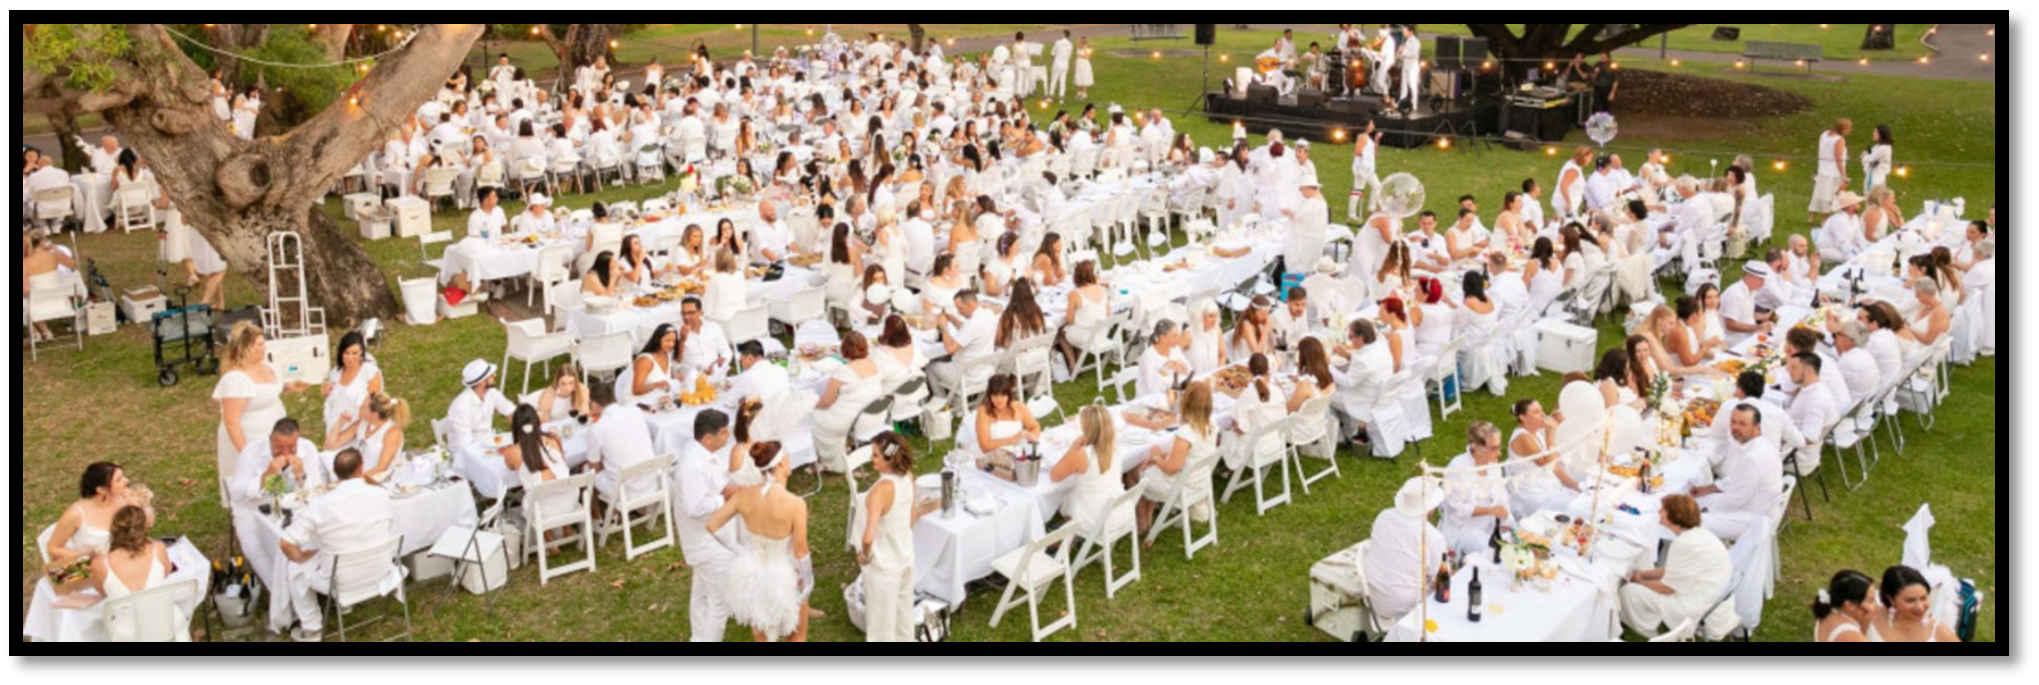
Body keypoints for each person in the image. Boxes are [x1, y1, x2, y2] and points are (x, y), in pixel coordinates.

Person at [278, 449, 395, 643]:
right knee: (339, 548)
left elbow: (286, 543)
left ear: (335, 473)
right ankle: (343, 607)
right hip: (382, 571)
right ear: (361, 469)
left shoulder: (320, 504)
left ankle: (312, 628)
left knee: (294, 567)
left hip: (341, 583)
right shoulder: (381, 494)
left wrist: (302, 558)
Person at [708, 442, 814, 642]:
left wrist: (738, 551)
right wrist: (808, 584)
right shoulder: (795, 504)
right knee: (797, 635)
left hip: (752, 573)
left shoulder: (744, 495)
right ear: (781, 463)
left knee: (761, 636)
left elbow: (712, 525)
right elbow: (800, 550)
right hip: (785, 574)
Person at [1618, 494, 1732, 639]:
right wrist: (1643, 574)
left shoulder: (1684, 543)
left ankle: (1650, 632)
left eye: (1663, 510)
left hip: (1695, 604)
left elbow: (1667, 589)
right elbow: (1674, 571)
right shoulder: (1700, 534)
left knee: (1628, 591)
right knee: (1639, 586)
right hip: (1711, 595)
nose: (1659, 512)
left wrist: (1639, 582)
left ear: (1674, 516)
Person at [214, 322, 302, 505]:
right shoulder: (236, 379)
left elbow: (266, 390)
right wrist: (248, 453)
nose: (264, 347)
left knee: (277, 473)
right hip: (250, 438)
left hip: (276, 435)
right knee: (254, 481)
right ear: (246, 348)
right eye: (260, 344)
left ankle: (279, 506)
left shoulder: (265, 364)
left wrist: (288, 387)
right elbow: (231, 422)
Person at [858, 432, 934, 642]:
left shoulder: (880, 491)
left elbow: (867, 537)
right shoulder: (908, 477)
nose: (871, 459)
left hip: (883, 566)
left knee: (880, 628)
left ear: (889, 458)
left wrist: (865, 555)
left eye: (875, 455)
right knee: (903, 618)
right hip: (905, 556)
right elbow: (909, 518)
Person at [676, 409, 737, 642]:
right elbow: (694, 507)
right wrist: (726, 500)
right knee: (719, 603)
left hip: (709, 538)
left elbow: (716, 483)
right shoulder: (693, 464)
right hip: (705, 542)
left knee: (701, 594)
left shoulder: (700, 454)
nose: (728, 435)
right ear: (708, 438)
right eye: (723, 433)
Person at [89, 505, 186, 641]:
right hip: (166, 624)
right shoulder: (158, 549)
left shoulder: (99, 563)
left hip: (129, 635)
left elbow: (102, 591)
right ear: (144, 528)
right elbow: (167, 570)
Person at [44, 463, 153, 582]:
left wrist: (139, 506)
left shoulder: (124, 498)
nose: (127, 481)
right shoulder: (76, 514)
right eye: (119, 480)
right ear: (101, 489)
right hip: (93, 571)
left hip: (128, 564)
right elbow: (53, 548)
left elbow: (146, 527)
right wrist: (88, 556)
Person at [1362, 478, 1448, 623]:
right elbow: (1440, 580)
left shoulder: (1384, 516)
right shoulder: (1432, 536)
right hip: (1404, 604)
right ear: (1430, 507)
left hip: (1373, 592)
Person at [1139, 381, 1219, 536]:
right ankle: (1147, 517)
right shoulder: (1212, 424)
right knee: (1148, 467)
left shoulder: (1187, 432)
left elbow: (1171, 469)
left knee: (1139, 472)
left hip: (1182, 486)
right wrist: (1162, 456)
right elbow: (1192, 455)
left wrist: (1156, 457)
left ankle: (1144, 521)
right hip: (1199, 481)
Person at [1691, 405, 1781, 543]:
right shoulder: (1759, 444)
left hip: (1752, 517)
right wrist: (1707, 489)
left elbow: (1734, 500)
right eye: (1733, 422)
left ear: (1757, 427)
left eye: (1742, 424)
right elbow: (1734, 479)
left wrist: (1706, 510)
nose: (1735, 427)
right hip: (1750, 505)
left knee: (1687, 522)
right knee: (1691, 501)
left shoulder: (1753, 457)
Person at [1052, 405, 1133, 539]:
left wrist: (1073, 449)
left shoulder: (1083, 453)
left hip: (1096, 519)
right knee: (1076, 491)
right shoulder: (1115, 445)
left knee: (1068, 494)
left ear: (1086, 428)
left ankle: (1066, 540)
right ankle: (1068, 537)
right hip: (1121, 510)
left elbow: (1055, 475)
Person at [813, 332, 884, 470]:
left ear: (844, 350)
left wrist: (812, 404)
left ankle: (832, 461)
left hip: (852, 419)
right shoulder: (873, 364)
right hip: (873, 416)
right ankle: (842, 451)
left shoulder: (843, 371)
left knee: (815, 418)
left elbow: (827, 401)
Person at [1441, 422, 1511, 558]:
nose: (1500, 453)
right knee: (1498, 554)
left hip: (1491, 524)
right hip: (1464, 528)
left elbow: (1502, 499)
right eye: (1494, 448)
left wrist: (1508, 523)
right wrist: (1489, 511)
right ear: (1477, 447)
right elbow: (1454, 509)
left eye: (1499, 447)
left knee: (1518, 543)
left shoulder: (1493, 466)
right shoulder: (1458, 468)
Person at [585, 381, 657, 506]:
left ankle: (599, 518)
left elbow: (594, 467)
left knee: (586, 469)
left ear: (595, 404)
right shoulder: (635, 411)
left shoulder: (597, 429)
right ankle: (614, 513)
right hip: (650, 482)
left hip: (625, 490)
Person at [1506, 399, 1579, 516]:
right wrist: (1550, 435)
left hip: (1546, 485)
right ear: (1523, 418)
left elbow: (1555, 467)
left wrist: (1576, 485)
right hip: (1532, 493)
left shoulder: (1535, 433)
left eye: (1542, 410)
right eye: (1536, 412)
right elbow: (1549, 465)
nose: (1543, 415)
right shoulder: (1523, 437)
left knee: (1581, 497)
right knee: (1576, 507)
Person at [323, 393, 409, 482]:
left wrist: (355, 482)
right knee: (325, 456)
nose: (359, 408)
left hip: (378, 479)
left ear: (374, 414)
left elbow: (382, 467)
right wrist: (340, 422)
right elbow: (329, 447)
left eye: (363, 407)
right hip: (357, 474)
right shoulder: (361, 424)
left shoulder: (392, 433)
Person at [928, 289, 997, 395]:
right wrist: (954, 319)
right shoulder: (988, 314)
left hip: (966, 376)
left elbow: (950, 349)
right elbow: (969, 333)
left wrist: (944, 327)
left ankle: (941, 399)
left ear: (970, 304)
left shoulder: (972, 324)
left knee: (930, 367)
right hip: (985, 371)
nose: (959, 312)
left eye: (960, 308)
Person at [1869, 566, 1960, 642]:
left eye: (1923, 598)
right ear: (1891, 599)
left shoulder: (1939, 632)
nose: (1920, 607)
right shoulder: (1868, 621)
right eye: (1910, 601)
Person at [322, 332, 384, 432]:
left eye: (354, 353)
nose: (350, 358)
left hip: (358, 430)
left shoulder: (369, 372)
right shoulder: (335, 373)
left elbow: (375, 405)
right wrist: (326, 393)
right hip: (335, 429)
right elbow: (332, 401)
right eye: (346, 353)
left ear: (361, 353)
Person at [1056, 260, 1110, 372]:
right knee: (1081, 326)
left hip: (1087, 336)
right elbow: (1108, 313)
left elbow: (1069, 320)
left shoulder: (1075, 294)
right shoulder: (1101, 288)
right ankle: (1079, 356)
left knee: (1061, 332)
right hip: (1101, 334)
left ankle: (1073, 365)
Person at [972, 374, 1042, 457]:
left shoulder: (1019, 407)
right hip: (992, 456)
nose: (999, 400)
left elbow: (1035, 427)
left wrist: (1030, 438)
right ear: (989, 396)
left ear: (1009, 395)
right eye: (995, 395)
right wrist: (1012, 440)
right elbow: (985, 446)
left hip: (1018, 454)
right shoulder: (983, 411)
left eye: (1003, 395)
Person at [1811, 570, 1878, 642]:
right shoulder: (1851, 636)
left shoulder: (1829, 612)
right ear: (1850, 605)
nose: (1876, 605)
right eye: (1871, 601)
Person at [1718, 262, 1773, 347]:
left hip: (1748, 335)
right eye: (1760, 279)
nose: (1763, 283)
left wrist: (1764, 316)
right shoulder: (1735, 294)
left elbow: (1744, 314)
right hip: (1734, 342)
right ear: (1749, 277)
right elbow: (1730, 325)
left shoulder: (1751, 291)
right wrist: (1758, 327)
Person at [679, 297, 732, 382]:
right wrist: (682, 340)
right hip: (692, 379)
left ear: (701, 312)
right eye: (683, 313)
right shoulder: (677, 333)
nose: (686, 317)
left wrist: (718, 363)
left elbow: (726, 352)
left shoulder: (713, 327)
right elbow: (676, 363)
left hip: (715, 375)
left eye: (691, 313)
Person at [1139, 319, 1195, 399]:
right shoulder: (1149, 357)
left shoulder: (1175, 349)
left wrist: (1183, 367)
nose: (1178, 339)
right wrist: (1164, 369)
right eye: (1174, 336)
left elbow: (1190, 371)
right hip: (1152, 400)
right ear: (1162, 338)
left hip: (1175, 394)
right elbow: (1152, 389)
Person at [1811, 119, 1852, 225]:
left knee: (1818, 193)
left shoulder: (1824, 134)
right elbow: (1838, 158)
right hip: (1832, 171)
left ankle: (1811, 216)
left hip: (1822, 168)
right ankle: (1824, 219)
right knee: (1828, 195)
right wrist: (1843, 174)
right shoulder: (1839, 140)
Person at [628, 324, 680, 405]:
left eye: (673, 341)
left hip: (662, 400)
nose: (671, 345)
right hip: (644, 403)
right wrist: (656, 385)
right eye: (667, 341)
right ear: (658, 340)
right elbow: (636, 389)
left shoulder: (667, 354)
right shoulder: (645, 360)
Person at [1285, 177, 1329, 271]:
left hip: (1307, 240)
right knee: (1312, 264)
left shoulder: (1312, 202)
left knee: (1304, 264)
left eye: (1302, 190)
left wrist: (1290, 214)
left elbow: (1300, 219)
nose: (1301, 193)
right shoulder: (1320, 200)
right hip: (1317, 237)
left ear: (1308, 188)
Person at [1348, 120, 1382, 222]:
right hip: (1363, 168)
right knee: (1358, 190)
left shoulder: (1369, 138)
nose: (1373, 126)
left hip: (1369, 169)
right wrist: (1366, 160)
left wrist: (1376, 140)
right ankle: (1352, 214)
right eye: (1371, 124)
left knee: (1377, 186)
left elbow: (1374, 154)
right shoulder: (1362, 137)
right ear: (1367, 126)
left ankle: (1371, 209)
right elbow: (1357, 151)